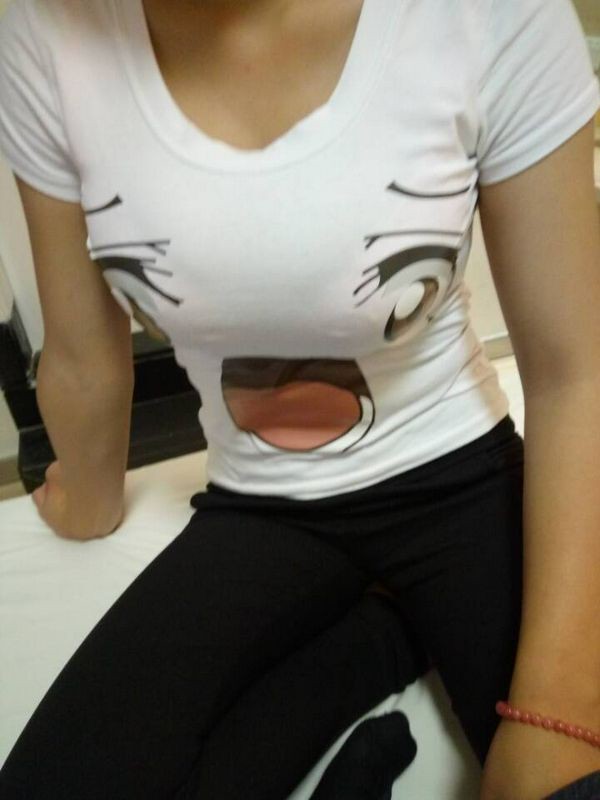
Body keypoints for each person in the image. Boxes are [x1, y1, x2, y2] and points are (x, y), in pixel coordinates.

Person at [0, 0, 599, 798]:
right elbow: (81, 357)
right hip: (260, 501)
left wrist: (555, 714)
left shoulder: (487, 12)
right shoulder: (48, 28)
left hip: (458, 476)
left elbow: (576, 370)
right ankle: (382, 639)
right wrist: (85, 495)